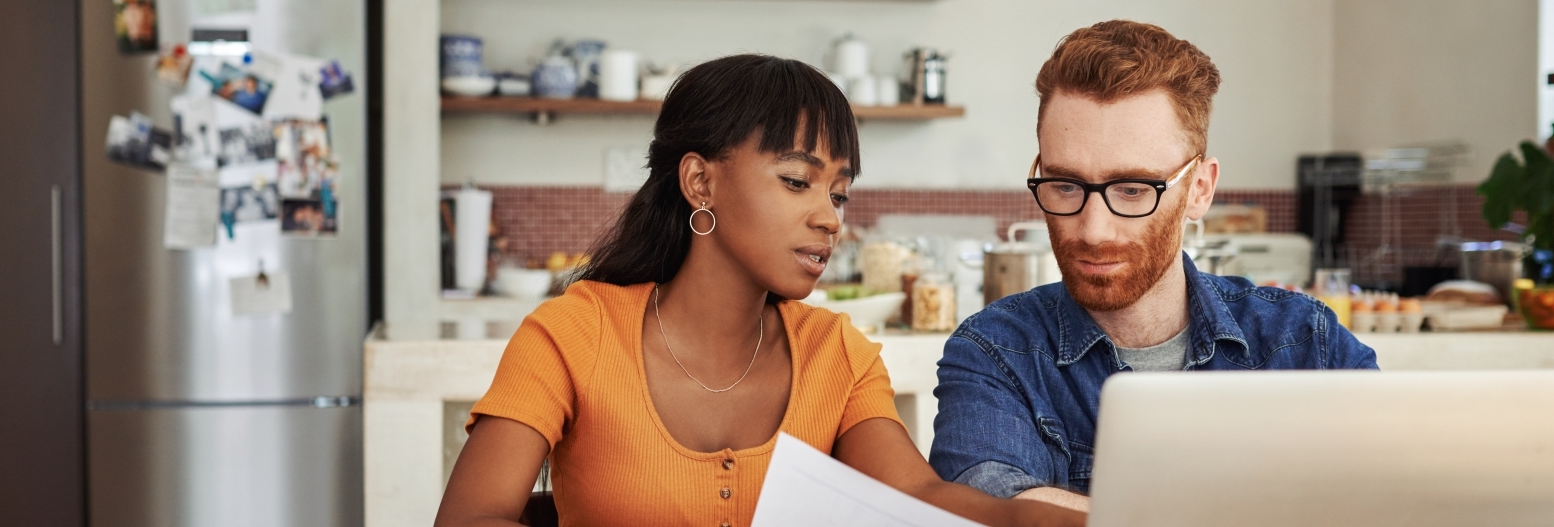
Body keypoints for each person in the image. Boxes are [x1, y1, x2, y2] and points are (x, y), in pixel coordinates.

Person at [435, 54, 1084, 527]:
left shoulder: (838, 353)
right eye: (797, 181)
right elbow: (468, 517)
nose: (831, 217)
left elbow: (919, 495)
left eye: (839, 192)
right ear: (700, 182)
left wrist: (1044, 518)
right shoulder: (573, 333)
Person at [928, 20, 1380, 513]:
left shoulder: (1306, 341)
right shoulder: (995, 352)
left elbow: (1386, 495)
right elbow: (990, 502)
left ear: (1200, 189)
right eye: (1065, 185)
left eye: (1132, 189)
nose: (1093, 229)